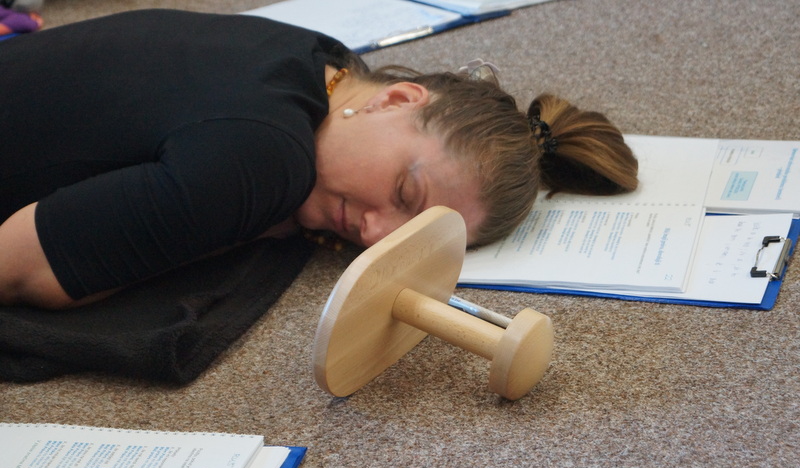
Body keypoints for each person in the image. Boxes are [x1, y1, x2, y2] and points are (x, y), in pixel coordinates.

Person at [0, 9, 638, 310]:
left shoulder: (326, 61)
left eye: (409, 234)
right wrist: (241, 224)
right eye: (405, 194)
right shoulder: (266, 161)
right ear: (398, 98)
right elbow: (19, 269)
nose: (375, 235)